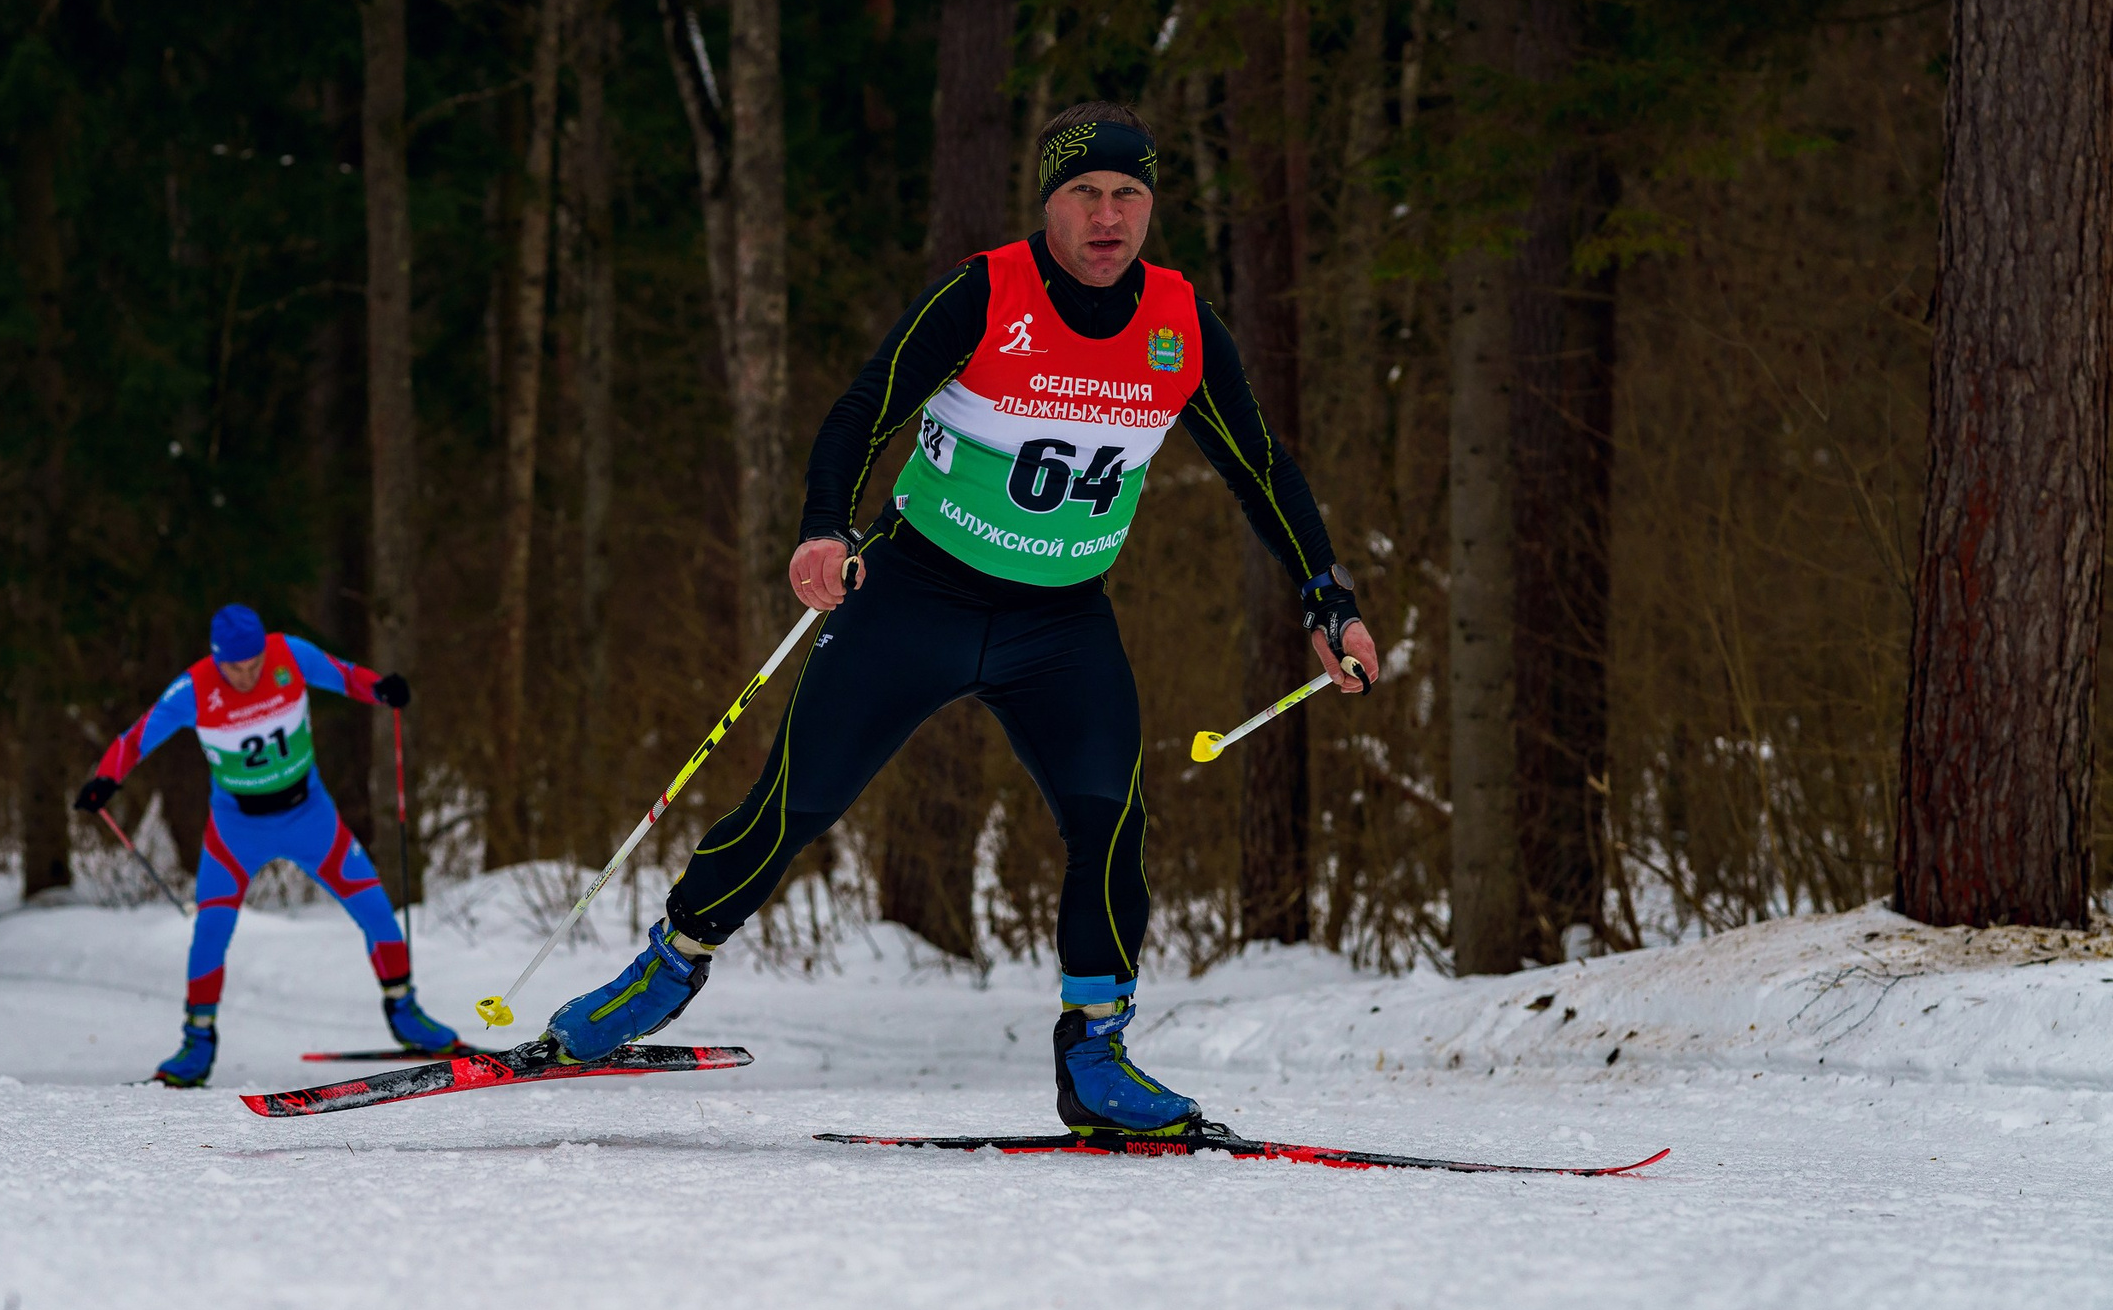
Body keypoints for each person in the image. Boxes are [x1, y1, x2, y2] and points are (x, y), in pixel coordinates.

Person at [543, 102, 1380, 1138]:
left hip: (1061, 621)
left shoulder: (1179, 326)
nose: (1107, 216)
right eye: (1084, 194)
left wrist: (1327, 600)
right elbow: (864, 409)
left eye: (1128, 194)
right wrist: (822, 532)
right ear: (1049, 204)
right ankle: (667, 967)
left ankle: (1096, 1053)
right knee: (793, 801)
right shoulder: (987, 294)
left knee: (1110, 817)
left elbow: (1262, 469)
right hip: (915, 593)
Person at [74, 604, 458, 1086]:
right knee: (211, 931)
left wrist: (382, 689)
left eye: (254, 664)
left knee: (375, 907)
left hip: (310, 816)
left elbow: (345, 676)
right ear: (217, 659)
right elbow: (136, 739)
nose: (247, 674)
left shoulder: (289, 656)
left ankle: (406, 1012)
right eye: (236, 667)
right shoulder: (194, 689)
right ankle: (197, 1041)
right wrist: (105, 780)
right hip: (237, 829)